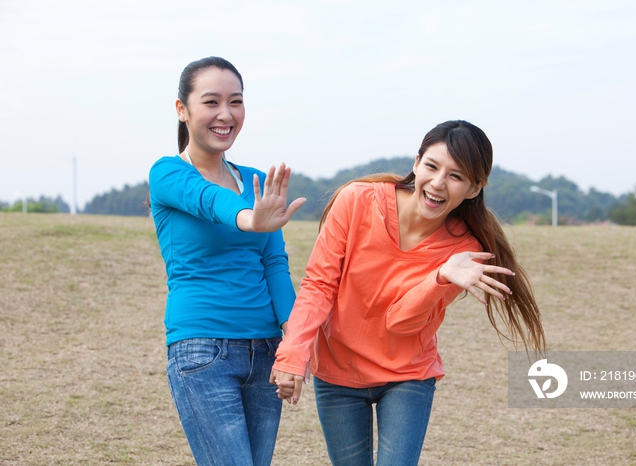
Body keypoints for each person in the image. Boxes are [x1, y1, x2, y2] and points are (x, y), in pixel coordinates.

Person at [270, 120, 546, 466]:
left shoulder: (464, 252)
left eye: (456, 176)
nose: (437, 183)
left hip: (407, 375)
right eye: (431, 166)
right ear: (416, 163)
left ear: (474, 188)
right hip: (337, 371)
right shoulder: (356, 200)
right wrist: (292, 355)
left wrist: (441, 277)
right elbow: (319, 285)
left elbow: (400, 323)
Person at [148, 56, 305, 466]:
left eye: (235, 102)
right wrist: (250, 218)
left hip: (267, 352)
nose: (225, 114)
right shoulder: (167, 173)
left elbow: (274, 263)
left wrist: (294, 343)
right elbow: (207, 199)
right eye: (211, 102)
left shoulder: (253, 178)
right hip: (202, 351)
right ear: (182, 110)